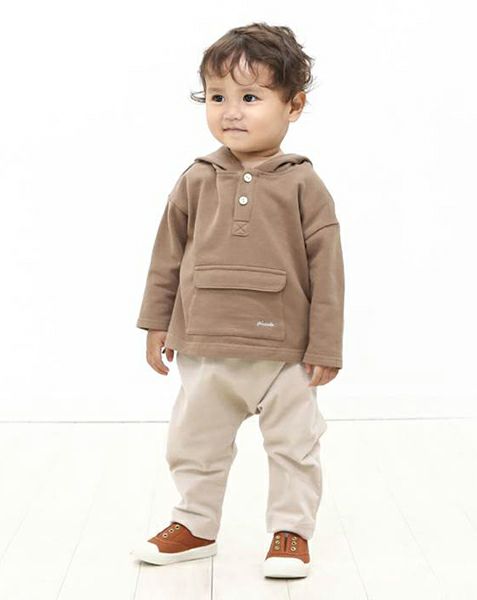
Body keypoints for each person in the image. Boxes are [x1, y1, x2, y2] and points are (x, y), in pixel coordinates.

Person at [131, 22, 345, 579]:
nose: (231, 112)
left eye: (250, 98)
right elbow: (167, 256)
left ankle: (291, 531)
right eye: (217, 97)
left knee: (294, 446)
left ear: (293, 105)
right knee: (194, 443)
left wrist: (325, 345)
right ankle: (195, 524)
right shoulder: (196, 179)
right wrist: (157, 322)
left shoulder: (304, 185)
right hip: (205, 344)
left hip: (286, 354)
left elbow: (328, 272)